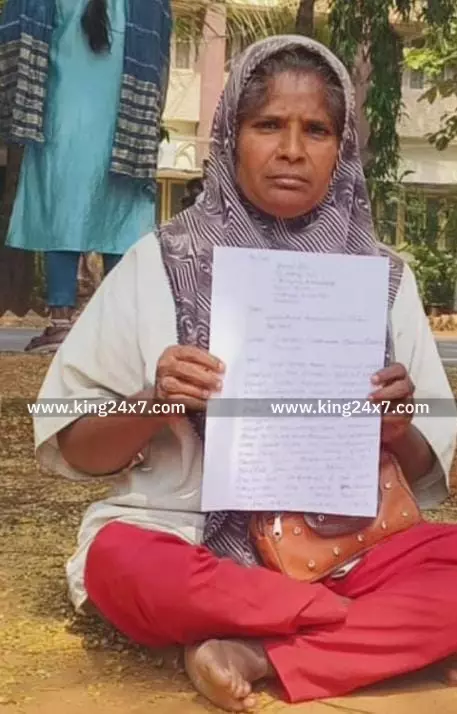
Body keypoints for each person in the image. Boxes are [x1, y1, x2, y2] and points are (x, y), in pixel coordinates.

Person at [32, 35, 457, 712]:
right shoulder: (160, 262)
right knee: (121, 559)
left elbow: (427, 466)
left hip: (348, 548)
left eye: (316, 130)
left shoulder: (381, 277)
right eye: (267, 125)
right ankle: (353, 629)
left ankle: (251, 649)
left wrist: (396, 429)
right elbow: (76, 447)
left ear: (342, 146)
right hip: (188, 541)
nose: (291, 149)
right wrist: (154, 400)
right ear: (231, 135)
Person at [0, 0, 172, 352]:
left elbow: (16, 50)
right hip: (127, 124)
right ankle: (119, 327)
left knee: (61, 215)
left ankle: (61, 323)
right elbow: (161, 67)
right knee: (122, 222)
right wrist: (150, 122)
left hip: (59, 123)